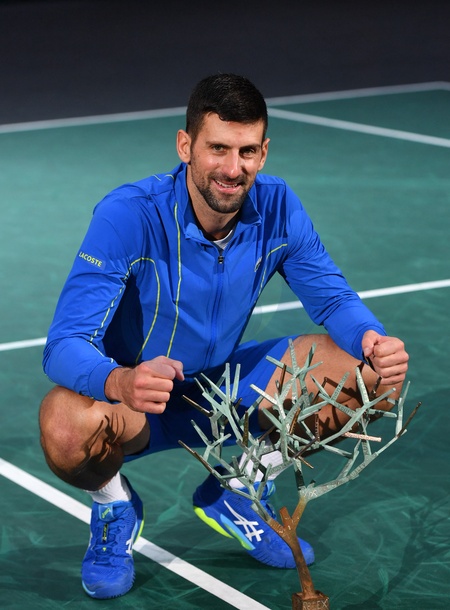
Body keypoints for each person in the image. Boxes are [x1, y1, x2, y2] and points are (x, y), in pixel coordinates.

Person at [40, 73, 409, 600]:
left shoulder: (278, 206)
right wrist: (119, 381)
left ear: (264, 151)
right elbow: (64, 344)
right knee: (63, 424)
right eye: (218, 148)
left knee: (374, 379)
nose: (233, 169)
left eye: (247, 151)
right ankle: (114, 506)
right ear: (185, 146)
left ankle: (238, 490)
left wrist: (372, 338)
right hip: (137, 401)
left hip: (226, 391)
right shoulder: (128, 215)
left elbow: (332, 300)